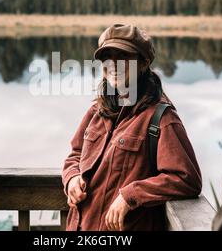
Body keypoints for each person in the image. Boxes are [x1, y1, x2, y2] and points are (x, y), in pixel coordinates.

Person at [61, 23, 202, 231]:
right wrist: (72, 178)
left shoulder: (161, 118)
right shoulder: (97, 111)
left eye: (123, 57)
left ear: (144, 63)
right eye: (107, 58)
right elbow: (75, 155)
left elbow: (185, 179)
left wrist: (131, 195)